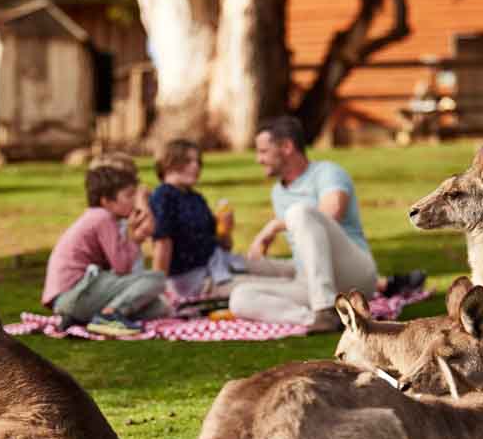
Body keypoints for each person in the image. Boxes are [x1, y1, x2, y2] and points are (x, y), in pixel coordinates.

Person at [229, 116, 381, 333]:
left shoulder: (328, 173)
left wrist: (273, 226)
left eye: (263, 151)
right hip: (310, 281)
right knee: (240, 298)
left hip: (355, 275)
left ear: (286, 147)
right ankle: (319, 319)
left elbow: (331, 214)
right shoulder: (278, 192)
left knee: (299, 212)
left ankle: (325, 308)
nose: (258, 159)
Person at [149, 139, 293, 300]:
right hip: (200, 281)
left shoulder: (195, 198)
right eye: (188, 161)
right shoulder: (163, 197)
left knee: (290, 269)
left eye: (198, 162)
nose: (196, 166)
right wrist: (158, 291)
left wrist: (226, 229)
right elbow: (162, 244)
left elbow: (224, 246)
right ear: (168, 164)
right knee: (282, 286)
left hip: (222, 263)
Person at [41, 161, 169, 337]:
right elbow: (122, 268)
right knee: (157, 278)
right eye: (129, 195)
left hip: (71, 298)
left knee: (159, 307)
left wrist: (133, 238)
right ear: (106, 201)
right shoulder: (102, 218)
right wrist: (133, 239)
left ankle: (82, 318)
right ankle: (108, 315)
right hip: (74, 293)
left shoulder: (97, 217)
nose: (134, 201)